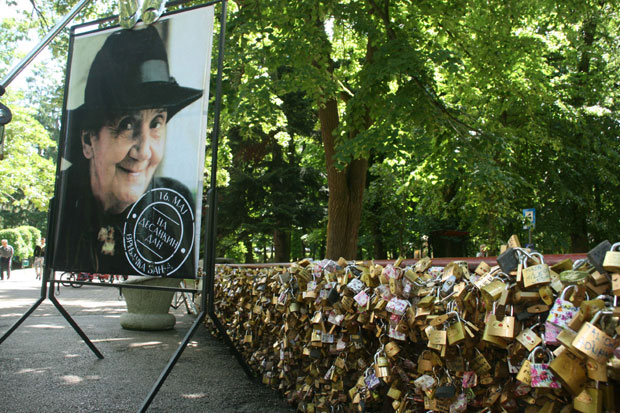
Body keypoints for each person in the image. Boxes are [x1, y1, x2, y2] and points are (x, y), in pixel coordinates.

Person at [53, 26, 202, 277]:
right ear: (88, 141)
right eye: (127, 125)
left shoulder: (172, 206)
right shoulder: (64, 205)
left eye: (156, 123)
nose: (143, 152)